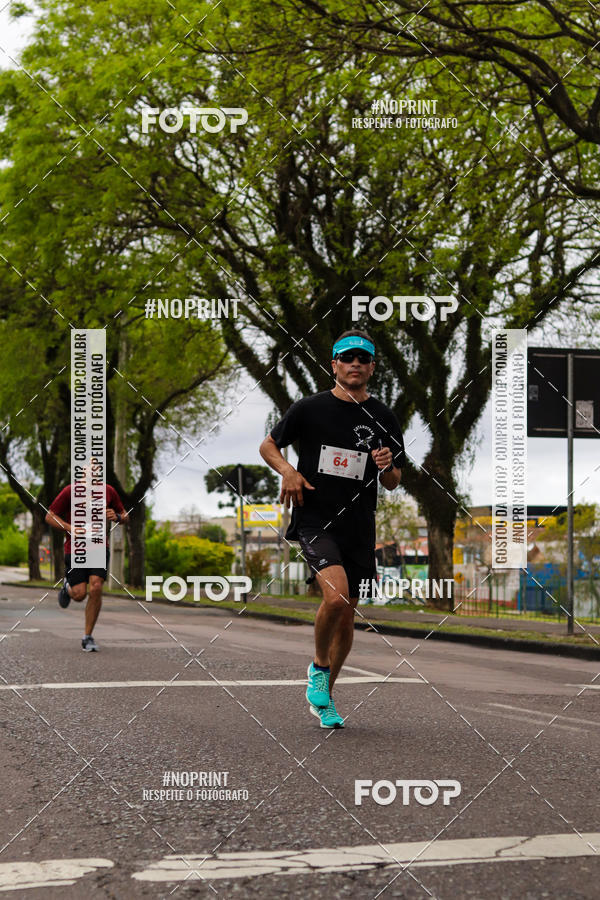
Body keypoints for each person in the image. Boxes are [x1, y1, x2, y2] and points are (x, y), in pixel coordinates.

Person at [260, 330, 405, 728]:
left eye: (363, 359)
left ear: (372, 367)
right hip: (315, 518)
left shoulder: (385, 417)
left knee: (347, 614)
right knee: (337, 596)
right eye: (348, 358)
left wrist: (386, 466)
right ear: (334, 365)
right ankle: (319, 667)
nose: (355, 364)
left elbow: (393, 481)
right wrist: (289, 471)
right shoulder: (309, 408)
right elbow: (268, 446)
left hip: (359, 525)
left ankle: (325, 698)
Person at [46, 463, 128, 651]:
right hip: (75, 549)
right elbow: (49, 516)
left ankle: (87, 636)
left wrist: (116, 516)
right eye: (89, 467)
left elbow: (125, 515)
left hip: (99, 547)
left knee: (97, 587)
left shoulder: (109, 491)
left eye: (97, 468)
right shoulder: (70, 491)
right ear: (82, 471)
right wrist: (70, 528)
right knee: (79, 595)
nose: (93, 471)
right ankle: (68, 588)